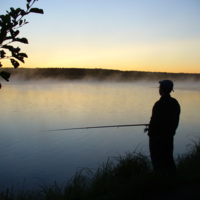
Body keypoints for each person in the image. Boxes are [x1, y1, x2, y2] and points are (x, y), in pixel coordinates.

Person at [147, 80, 180, 178]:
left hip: (157, 138)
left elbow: (154, 122)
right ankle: (173, 180)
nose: (159, 89)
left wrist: (150, 133)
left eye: (160, 87)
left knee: (157, 161)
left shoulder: (159, 104)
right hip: (169, 136)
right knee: (168, 158)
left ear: (162, 89)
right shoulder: (175, 103)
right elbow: (175, 121)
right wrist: (171, 132)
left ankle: (160, 183)